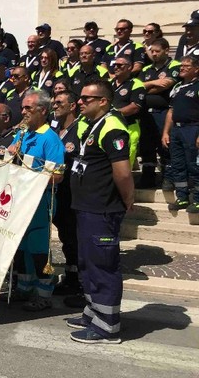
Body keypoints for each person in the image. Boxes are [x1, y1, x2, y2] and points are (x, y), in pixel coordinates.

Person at [67, 79, 133, 344]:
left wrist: (128, 200)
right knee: (88, 264)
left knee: (103, 266)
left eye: (86, 98)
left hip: (102, 210)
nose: (80, 101)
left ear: (103, 101)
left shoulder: (113, 127)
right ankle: (93, 313)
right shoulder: (94, 125)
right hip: (86, 207)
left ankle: (107, 327)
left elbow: (123, 172)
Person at [7, 89, 65, 311]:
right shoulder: (22, 133)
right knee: (21, 248)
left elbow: (58, 176)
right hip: (19, 201)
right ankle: (24, 287)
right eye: (22, 107)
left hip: (41, 202)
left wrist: (31, 171)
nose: (23, 112)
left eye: (28, 108)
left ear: (42, 110)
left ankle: (44, 292)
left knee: (39, 250)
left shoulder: (50, 139)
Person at [50, 91, 82, 297]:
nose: (55, 106)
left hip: (74, 192)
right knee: (64, 236)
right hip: (57, 192)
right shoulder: (54, 130)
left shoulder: (79, 129)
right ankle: (70, 276)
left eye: (59, 103)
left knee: (74, 238)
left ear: (72, 106)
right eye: (54, 102)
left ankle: (78, 281)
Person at [139, 38, 180, 188]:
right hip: (146, 114)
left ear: (166, 50)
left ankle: (168, 178)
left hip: (164, 112)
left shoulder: (174, 65)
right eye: (152, 51)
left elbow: (166, 85)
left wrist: (148, 87)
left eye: (157, 51)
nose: (154, 54)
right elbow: (138, 87)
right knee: (147, 146)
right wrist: (153, 83)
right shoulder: (146, 69)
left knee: (165, 145)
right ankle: (147, 177)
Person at [162, 56, 199, 214]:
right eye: (181, 65)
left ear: (196, 69)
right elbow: (171, 111)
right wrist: (165, 132)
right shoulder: (177, 86)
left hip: (193, 129)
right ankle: (182, 197)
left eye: (186, 66)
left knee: (194, 165)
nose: (182, 68)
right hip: (176, 130)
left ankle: (197, 199)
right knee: (178, 165)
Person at [109, 56, 145, 166]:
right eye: (115, 65)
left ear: (129, 67)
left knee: (125, 162)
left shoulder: (136, 84)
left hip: (129, 127)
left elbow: (134, 107)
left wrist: (113, 114)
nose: (116, 67)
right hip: (110, 127)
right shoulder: (109, 83)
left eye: (120, 65)